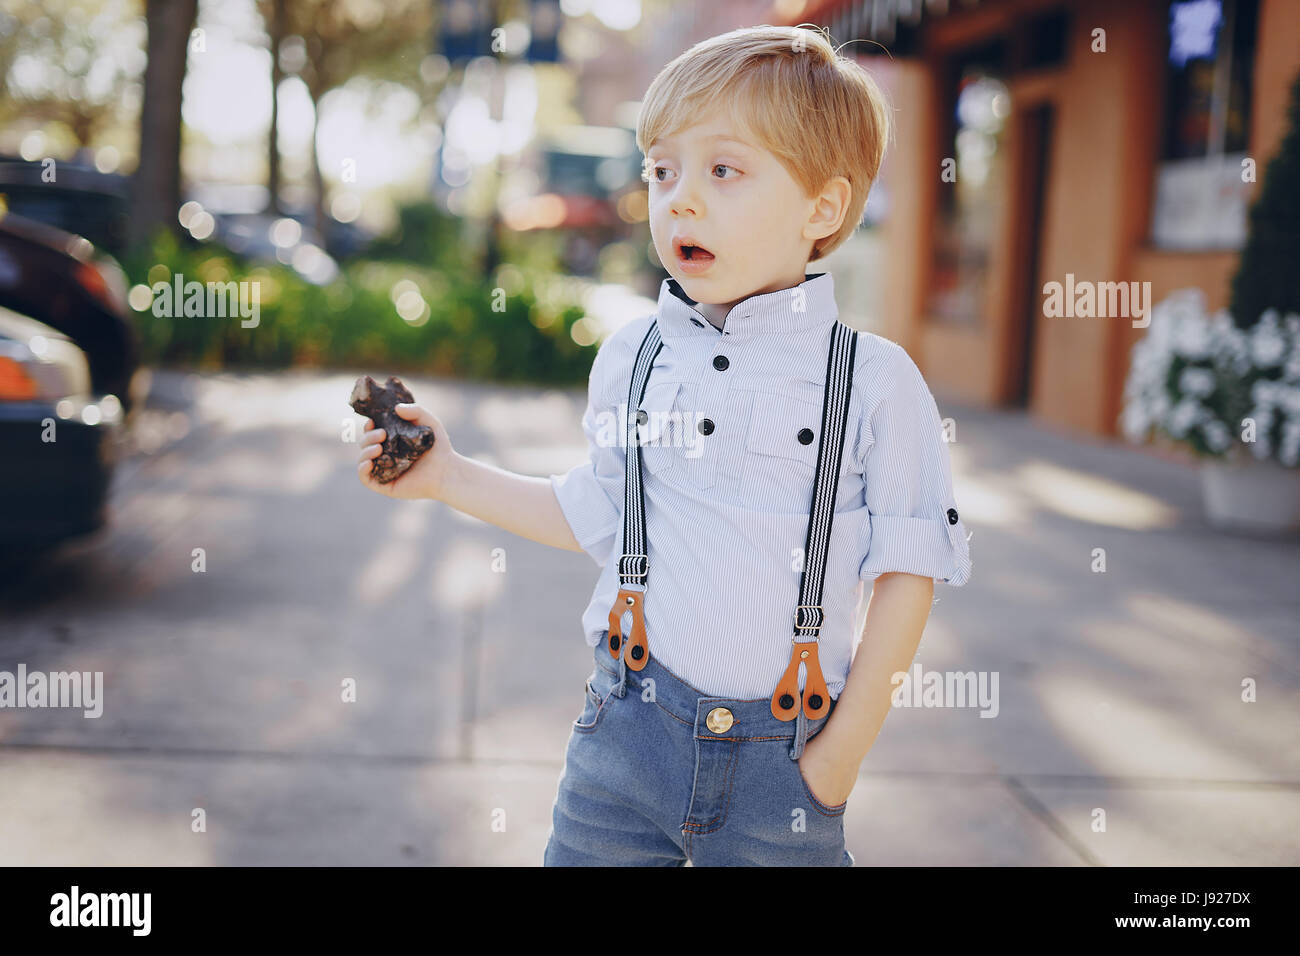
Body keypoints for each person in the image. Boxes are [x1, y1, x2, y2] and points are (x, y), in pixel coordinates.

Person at [357, 23, 972, 866]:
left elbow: (907, 574)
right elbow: (597, 510)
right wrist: (448, 475)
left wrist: (839, 759)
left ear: (822, 209)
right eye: (662, 169)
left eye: (723, 170)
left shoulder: (874, 381)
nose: (679, 197)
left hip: (783, 768)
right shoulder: (633, 357)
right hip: (624, 735)